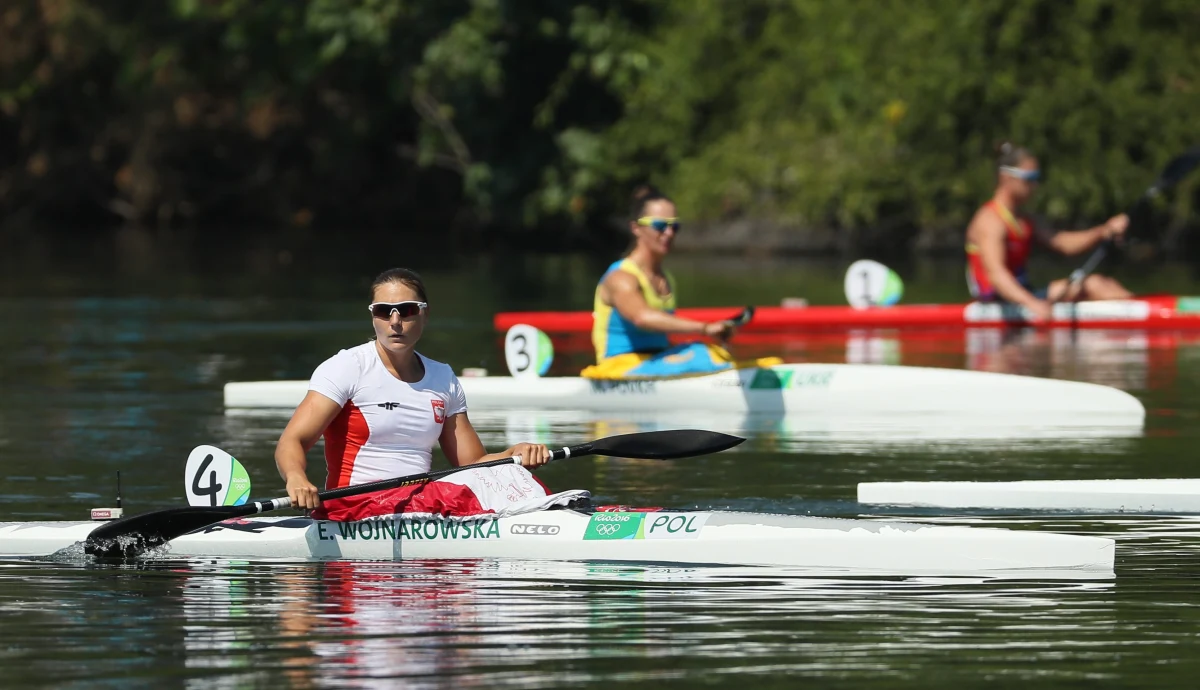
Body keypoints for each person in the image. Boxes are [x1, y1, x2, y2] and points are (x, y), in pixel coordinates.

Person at [275, 268, 583, 521]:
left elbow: (473, 463)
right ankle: (546, 519)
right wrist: (296, 478)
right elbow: (292, 441)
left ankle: (557, 517)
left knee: (512, 476)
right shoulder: (348, 367)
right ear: (373, 316)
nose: (395, 322)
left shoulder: (442, 377)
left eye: (407, 310)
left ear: (425, 314)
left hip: (420, 503)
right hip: (353, 507)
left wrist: (515, 454)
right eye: (384, 312)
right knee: (468, 489)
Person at [584, 187, 773, 379]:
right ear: (636, 228)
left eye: (674, 227)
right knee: (703, 355)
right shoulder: (621, 278)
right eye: (660, 225)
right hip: (617, 368)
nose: (669, 233)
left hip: (654, 362)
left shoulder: (666, 278)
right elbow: (642, 318)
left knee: (710, 352)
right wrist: (705, 328)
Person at [965, 143, 1133, 321]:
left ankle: (1143, 313)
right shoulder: (990, 221)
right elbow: (996, 275)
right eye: (1029, 178)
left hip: (1023, 296)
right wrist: (1032, 304)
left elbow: (1063, 243)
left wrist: (1103, 231)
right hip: (994, 305)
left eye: (1037, 178)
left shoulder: (1024, 219)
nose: (1035, 185)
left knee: (1098, 284)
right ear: (1006, 178)